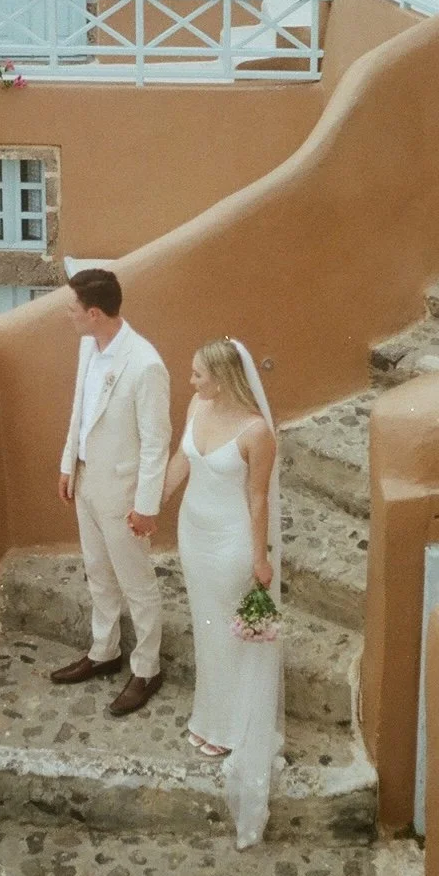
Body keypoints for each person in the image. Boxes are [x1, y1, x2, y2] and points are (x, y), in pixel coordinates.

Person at [161, 336, 285, 849]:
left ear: (222, 377)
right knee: (207, 625)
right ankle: (209, 717)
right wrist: (151, 504)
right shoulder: (198, 406)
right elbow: (181, 460)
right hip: (194, 532)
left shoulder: (257, 432)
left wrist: (260, 558)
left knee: (232, 631)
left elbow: (258, 499)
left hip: (233, 540)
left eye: (198, 374)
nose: (191, 381)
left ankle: (235, 728)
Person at [51, 269, 172, 716]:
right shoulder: (88, 345)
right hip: (87, 481)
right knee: (97, 572)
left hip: (123, 493)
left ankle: (147, 668)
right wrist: (69, 464)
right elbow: (79, 411)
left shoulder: (146, 364)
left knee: (137, 583)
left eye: (73, 308)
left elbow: (157, 442)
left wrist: (146, 506)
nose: (68, 314)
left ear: (95, 313)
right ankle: (104, 652)